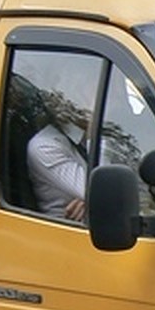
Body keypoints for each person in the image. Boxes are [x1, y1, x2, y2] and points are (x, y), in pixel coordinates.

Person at [26, 90, 90, 222]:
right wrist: (94, 204)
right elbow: (106, 194)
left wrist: (90, 205)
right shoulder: (45, 146)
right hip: (67, 234)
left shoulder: (91, 136)